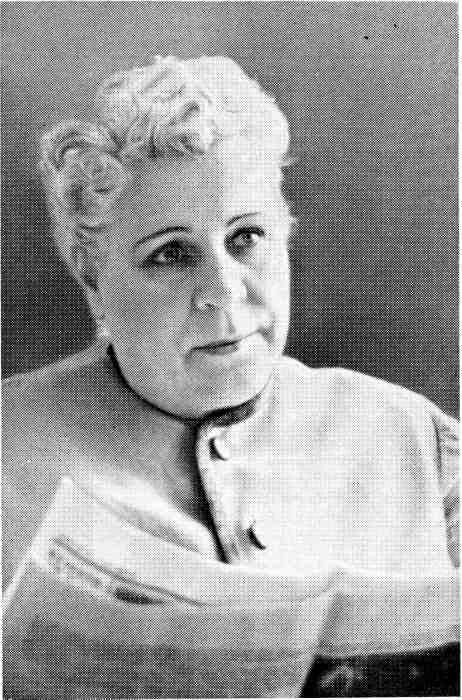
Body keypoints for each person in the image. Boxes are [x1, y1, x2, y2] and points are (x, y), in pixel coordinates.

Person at [2, 55, 459, 696]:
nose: (224, 288)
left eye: (246, 237)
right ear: (93, 283)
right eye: (171, 253)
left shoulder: (412, 437)